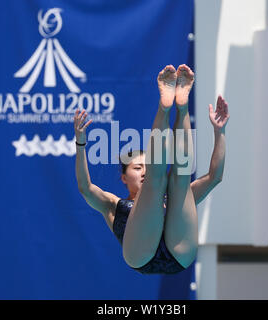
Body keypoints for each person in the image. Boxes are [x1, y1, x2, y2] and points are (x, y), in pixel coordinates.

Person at [74, 64, 229, 274]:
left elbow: (214, 177)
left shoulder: (172, 196)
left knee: (180, 179)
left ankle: (181, 106)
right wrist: (80, 144)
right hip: (141, 256)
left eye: (146, 166)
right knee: (157, 180)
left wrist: (220, 131)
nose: (143, 171)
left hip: (179, 251)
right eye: (137, 168)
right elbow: (85, 187)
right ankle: (163, 107)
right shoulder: (111, 205)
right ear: (123, 178)